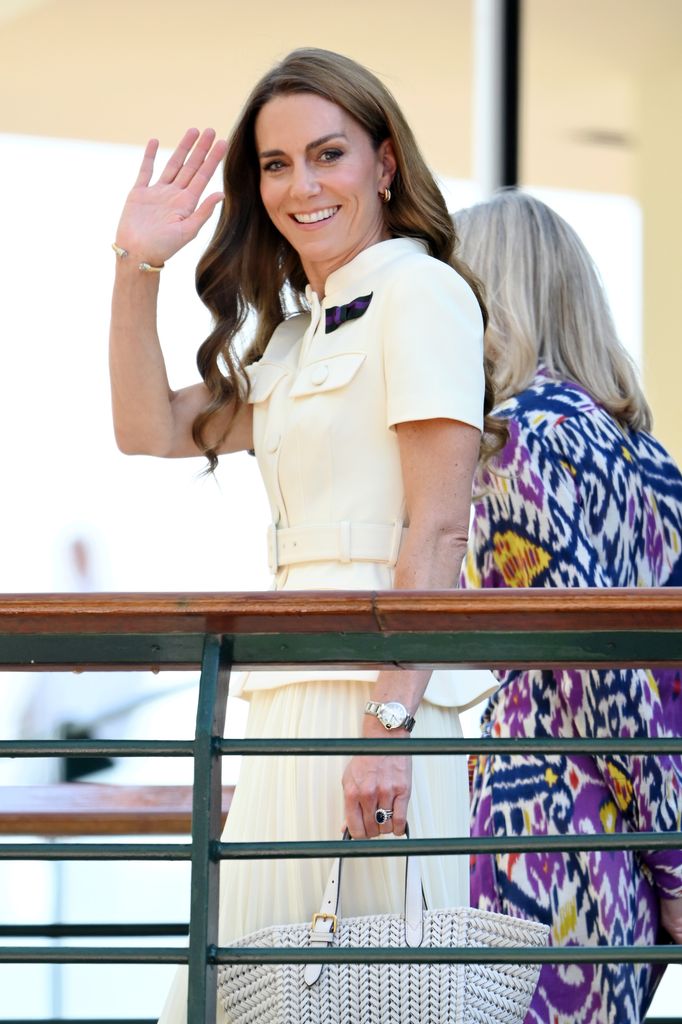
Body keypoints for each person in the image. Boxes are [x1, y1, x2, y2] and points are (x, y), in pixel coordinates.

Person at [109, 48, 502, 1023]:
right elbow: (147, 427)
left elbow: (436, 527)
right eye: (276, 165)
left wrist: (387, 731)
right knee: (259, 999)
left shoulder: (422, 294)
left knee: (375, 997)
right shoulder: (298, 333)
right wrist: (137, 264)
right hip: (288, 707)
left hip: (378, 707)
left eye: (328, 154)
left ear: (384, 163)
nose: (302, 186)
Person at [454, 189, 682, 1024]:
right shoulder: (647, 458)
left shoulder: (512, 442)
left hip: (549, 826)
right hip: (630, 835)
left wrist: (674, 864)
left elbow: (594, 668)